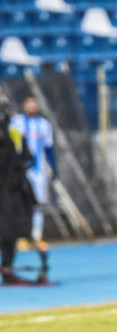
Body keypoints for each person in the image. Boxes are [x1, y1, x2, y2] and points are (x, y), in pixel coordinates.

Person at [10, 95, 57, 254]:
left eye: (34, 104)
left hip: (39, 172)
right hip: (22, 171)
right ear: (24, 105)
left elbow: (49, 149)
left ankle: (37, 236)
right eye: (28, 103)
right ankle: (22, 237)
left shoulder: (44, 125)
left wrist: (53, 167)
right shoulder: (16, 123)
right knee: (22, 204)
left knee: (38, 204)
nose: (31, 106)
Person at [0, 105, 37, 285]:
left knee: (9, 233)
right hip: (9, 191)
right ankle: (7, 270)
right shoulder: (12, 135)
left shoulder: (14, 135)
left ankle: (7, 269)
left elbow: (24, 161)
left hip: (10, 191)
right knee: (8, 232)